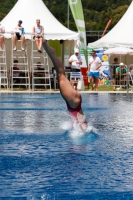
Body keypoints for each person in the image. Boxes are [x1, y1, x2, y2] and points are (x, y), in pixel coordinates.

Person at [42, 41, 87, 130]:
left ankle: (50, 52)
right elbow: (84, 128)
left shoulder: (81, 125)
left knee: (61, 76)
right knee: (61, 75)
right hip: (73, 103)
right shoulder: (81, 129)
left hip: (74, 102)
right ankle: (51, 52)